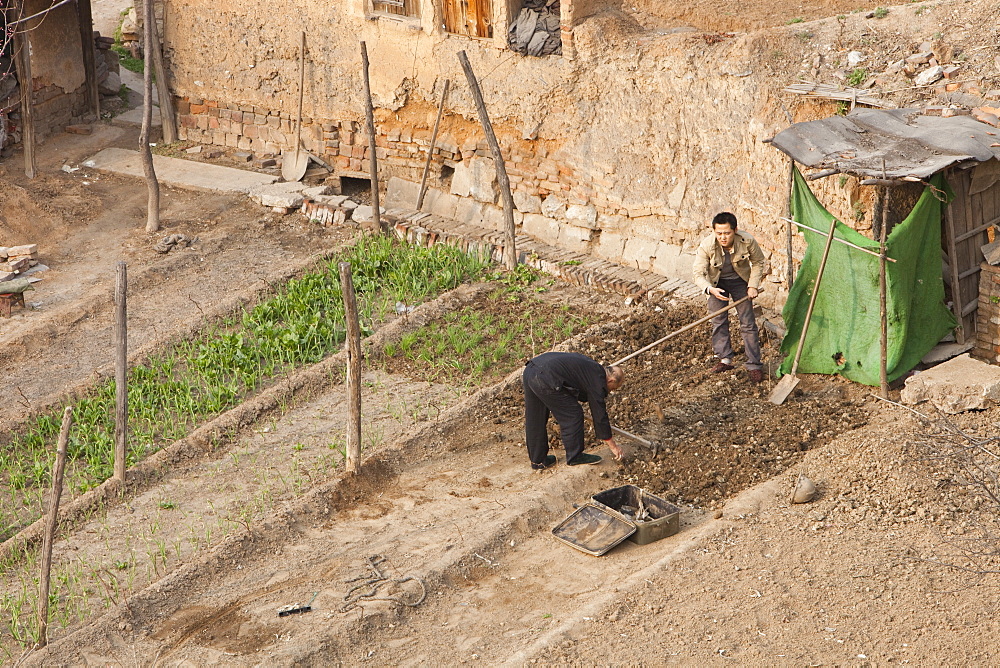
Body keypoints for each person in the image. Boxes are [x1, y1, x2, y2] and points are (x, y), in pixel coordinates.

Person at [692, 211, 768, 383]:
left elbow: (758, 262)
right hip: (716, 283)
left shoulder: (747, 240)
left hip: (740, 281)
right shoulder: (707, 245)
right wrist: (710, 289)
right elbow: (697, 273)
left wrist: (752, 285)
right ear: (714, 231)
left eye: (727, 233)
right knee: (718, 320)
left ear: (735, 230)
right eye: (719, 233)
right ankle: (725, 359)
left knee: (748, 323)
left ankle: (754, 364)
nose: (723, 237)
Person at [522, 352, 625, 470]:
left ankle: (538, 460)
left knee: (536, 416)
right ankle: (575, 456)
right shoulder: (598, 380)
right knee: (573, 415)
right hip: (545, 376)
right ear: (611, 381)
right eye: (614, 388)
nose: (611, 391)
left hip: (531, 369)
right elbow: (599, 414)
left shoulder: (591, 368)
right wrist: (613, 446)